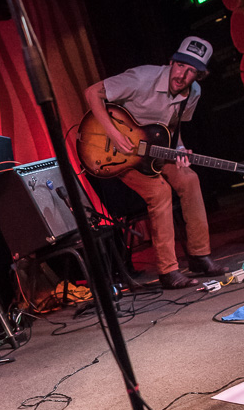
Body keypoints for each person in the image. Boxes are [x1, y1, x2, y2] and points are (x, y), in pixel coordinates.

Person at [83, 36, 224, 290]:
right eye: (180, 65)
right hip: (118, 152)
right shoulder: (142, 78)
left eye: (191, 70)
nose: (182, 75)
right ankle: (168, 271)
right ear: (171, 62)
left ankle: (199, 255)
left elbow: (173, 128)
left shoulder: (193, 93)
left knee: (190, 179)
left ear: (199, 75)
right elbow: (92, 92)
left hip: (153, 149)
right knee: (160, 191)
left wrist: (179, 150)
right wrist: (114, 134)